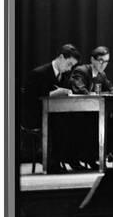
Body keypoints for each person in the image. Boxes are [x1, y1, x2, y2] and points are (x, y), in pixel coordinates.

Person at [22, 43, 81, 174]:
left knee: (78, 120)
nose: (69, 69)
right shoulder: (39, 73)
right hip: (36, 115)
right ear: (61, 57)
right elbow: (29, 100)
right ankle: (52, 161)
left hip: (55, 114)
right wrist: (51, 94)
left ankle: (72, 159)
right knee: (60, 123)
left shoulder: (64, 76)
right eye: (69, 64)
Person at [69, 46, 113, 169]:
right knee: (93, 124)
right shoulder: (81, 70)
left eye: (106, 62)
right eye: (100, 61)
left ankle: (99, 157)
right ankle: (88, 158)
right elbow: (80, 90)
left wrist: (103, 94)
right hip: (77, 113)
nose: (103, 64)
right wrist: (98, 94)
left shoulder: (102, 75)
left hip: (94, 113)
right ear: (92, 60)